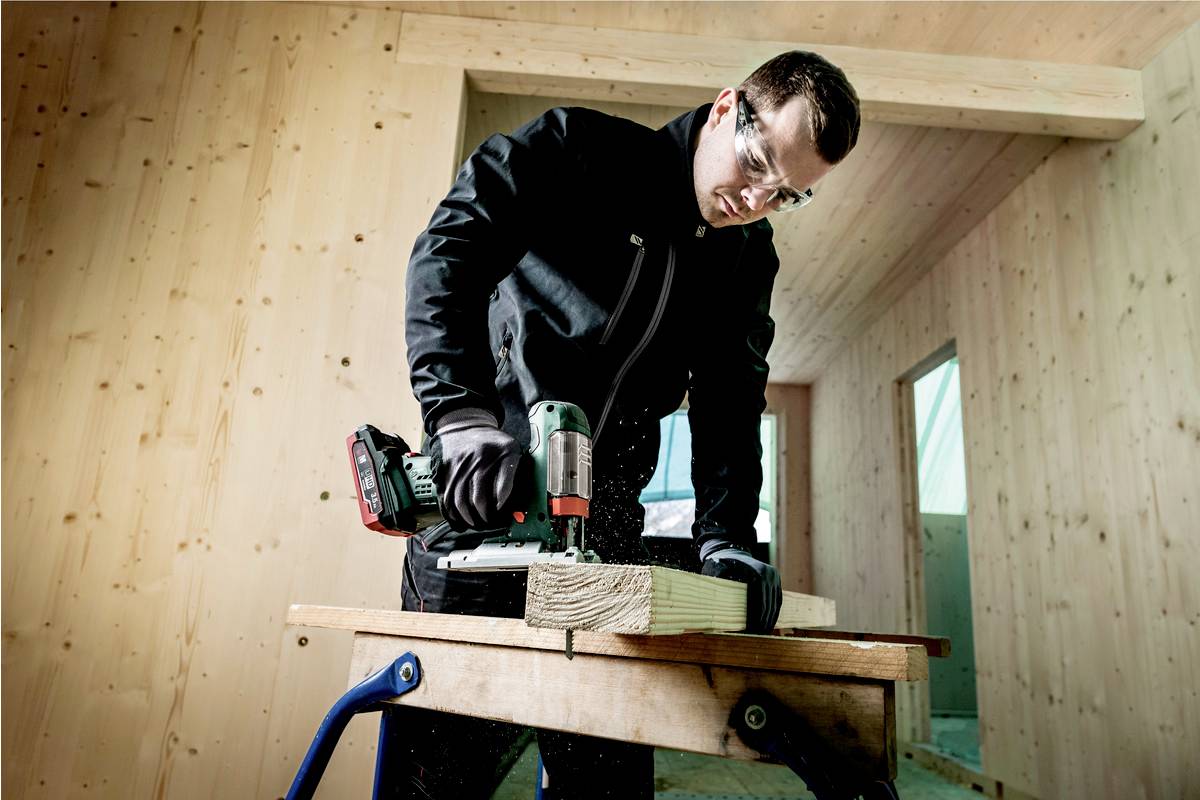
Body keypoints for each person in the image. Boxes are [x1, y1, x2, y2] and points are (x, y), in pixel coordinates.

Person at [397, 50, 860, 799]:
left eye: (787, 194)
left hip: (604, 535)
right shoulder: (578, 149)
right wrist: (458, 413)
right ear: (723, 109)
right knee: (444, 779)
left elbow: (730, 399)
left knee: (606, 779)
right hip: (482, 506)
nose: (756, 197)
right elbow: (449, 251)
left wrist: (727, 541)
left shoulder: (745, 259)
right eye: (756, 161)